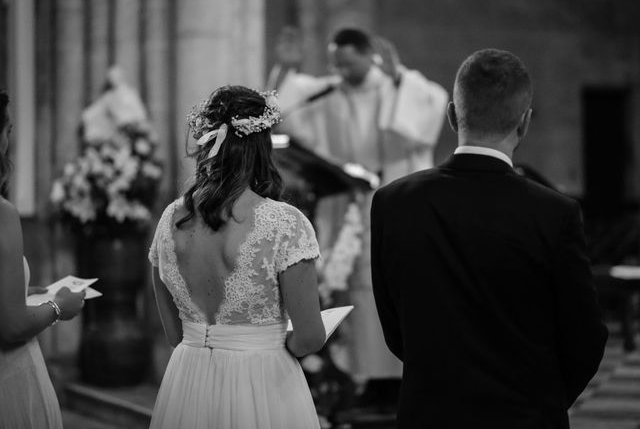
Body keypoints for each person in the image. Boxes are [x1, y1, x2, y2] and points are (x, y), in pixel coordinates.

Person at [370, 48, 609, 428]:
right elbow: (586, 337)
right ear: (525, 123)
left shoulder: (392, 202)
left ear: (451, 115)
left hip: (430, 414)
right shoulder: (554, 213)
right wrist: (542, 400)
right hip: (526, 414)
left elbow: (395, 328)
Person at [269, 26, 448, 402]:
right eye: (337, 64)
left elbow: (429, 111)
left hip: (398, 198)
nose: (343, 72)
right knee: (355, 287)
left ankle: (403, 375)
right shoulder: (332, 93)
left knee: (398, 282)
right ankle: (363, 375)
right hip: (350, 201)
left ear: (370, 56)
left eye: (349, 63)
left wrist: (398, 80)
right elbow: (283, 113)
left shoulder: (399, 85)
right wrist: (284, 71)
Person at [149, 85, 325, 429]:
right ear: (262, 145)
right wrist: (271, 341)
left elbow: (173, 334)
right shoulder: (284, 223)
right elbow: (310, 338)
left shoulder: (170, 219)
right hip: (261, 381)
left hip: (188, 379)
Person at [0, 90, 86, 428]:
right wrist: (57, 308)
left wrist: (26, 291)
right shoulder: (3, 213)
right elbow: (10, 328)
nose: (9, 140)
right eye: (7, 130)